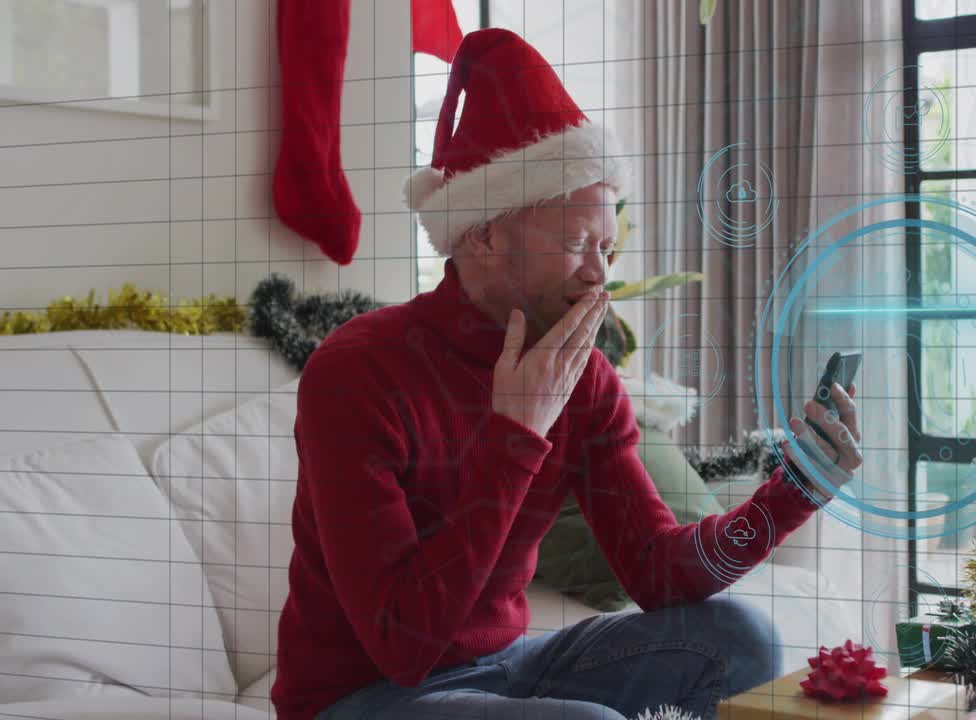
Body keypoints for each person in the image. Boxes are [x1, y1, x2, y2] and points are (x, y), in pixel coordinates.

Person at [271, 28, 863, 720]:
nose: (600, 276)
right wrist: (516, 433)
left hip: (503, 668)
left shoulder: (583, 380)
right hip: (360, 696)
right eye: (579, 243)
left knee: (742, 641)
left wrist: (793, 490)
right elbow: (406, 646)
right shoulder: (356, 373)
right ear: (484, 234)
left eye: (607, 247)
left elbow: (656, 571)